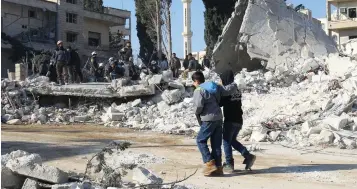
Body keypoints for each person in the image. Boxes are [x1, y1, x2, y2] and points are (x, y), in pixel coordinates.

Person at [191, 71, 238, 176]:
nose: (193, 85)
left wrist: (198, 114)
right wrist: (234, 84)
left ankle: (209, 163)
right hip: (218, 118)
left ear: (196, 81)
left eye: (193, 82)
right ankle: (218, 168)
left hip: (208, 119)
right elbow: (227, 90)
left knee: (200, 140)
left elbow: (198, 107)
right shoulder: (214, 86)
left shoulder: (199, 90)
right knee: (216, 144)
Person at [219, 70, 256, 173]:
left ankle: (229, 164)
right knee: (232, 141)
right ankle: (248, 156)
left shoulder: (227, 91)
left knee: (226, 141)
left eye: (221, 79)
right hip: (239, 120)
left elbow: (220, 103)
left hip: (230, 120)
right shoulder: (236, 90)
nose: (221, 81)